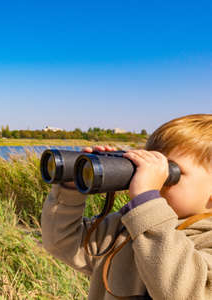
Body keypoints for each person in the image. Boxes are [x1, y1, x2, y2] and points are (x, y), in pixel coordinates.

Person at [41, 114, 212, 299]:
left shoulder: (207, 240)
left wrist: (148, 203)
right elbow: (62, 242)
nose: (157, 180)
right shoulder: (125, 228)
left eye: (170, 172)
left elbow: (183, 292)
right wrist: (71, 186)